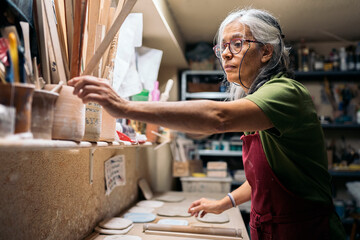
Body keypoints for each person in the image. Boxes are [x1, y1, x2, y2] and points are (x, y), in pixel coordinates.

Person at [68, 8, 346, 240]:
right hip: (271, 231)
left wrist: (124, 107)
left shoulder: (284, 92)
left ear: (266, 52)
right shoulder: (257, 103)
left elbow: (217, 118)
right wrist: (223, 203)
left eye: (237, 44)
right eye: (222, 47)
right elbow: (266, 181)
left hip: (307, 232)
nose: (225, 54)